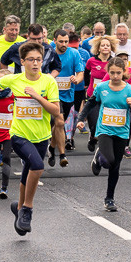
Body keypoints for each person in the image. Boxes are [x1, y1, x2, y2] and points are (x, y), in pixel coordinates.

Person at [0, 40, 60, 235]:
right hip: (18, 135)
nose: (35, 63)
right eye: (31, 59)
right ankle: (27, 209)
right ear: (22, 62)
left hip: (42, 136)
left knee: (28, 170)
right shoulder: (14, 79)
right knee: (37, 166)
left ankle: (18, 208)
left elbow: (56, 111)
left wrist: (37, 97)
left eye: (38, 59)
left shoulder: (48, 81)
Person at [89, 56, 131, 211]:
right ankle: (99, 157)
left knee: (115, 166)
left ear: (124, 72)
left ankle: (109, 198)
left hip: (122, 132)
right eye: (112, 73)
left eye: (118, 73)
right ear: (108, 72)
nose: (115, 76)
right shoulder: (102, 88)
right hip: (104, 129)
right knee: (108, 161)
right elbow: (91, 103)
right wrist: (80, 118)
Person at [47, 29, 84, 167]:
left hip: (68, 94)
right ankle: (62, 155)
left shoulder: (74, 53)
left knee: (58, 124)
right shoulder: (49, 53)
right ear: (54, 40)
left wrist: (77, 79)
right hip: (52, 95)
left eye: (66, 41)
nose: (64, 44)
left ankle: (51, 147)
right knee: (60, 122)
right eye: (61, 41)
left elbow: (80, 73)